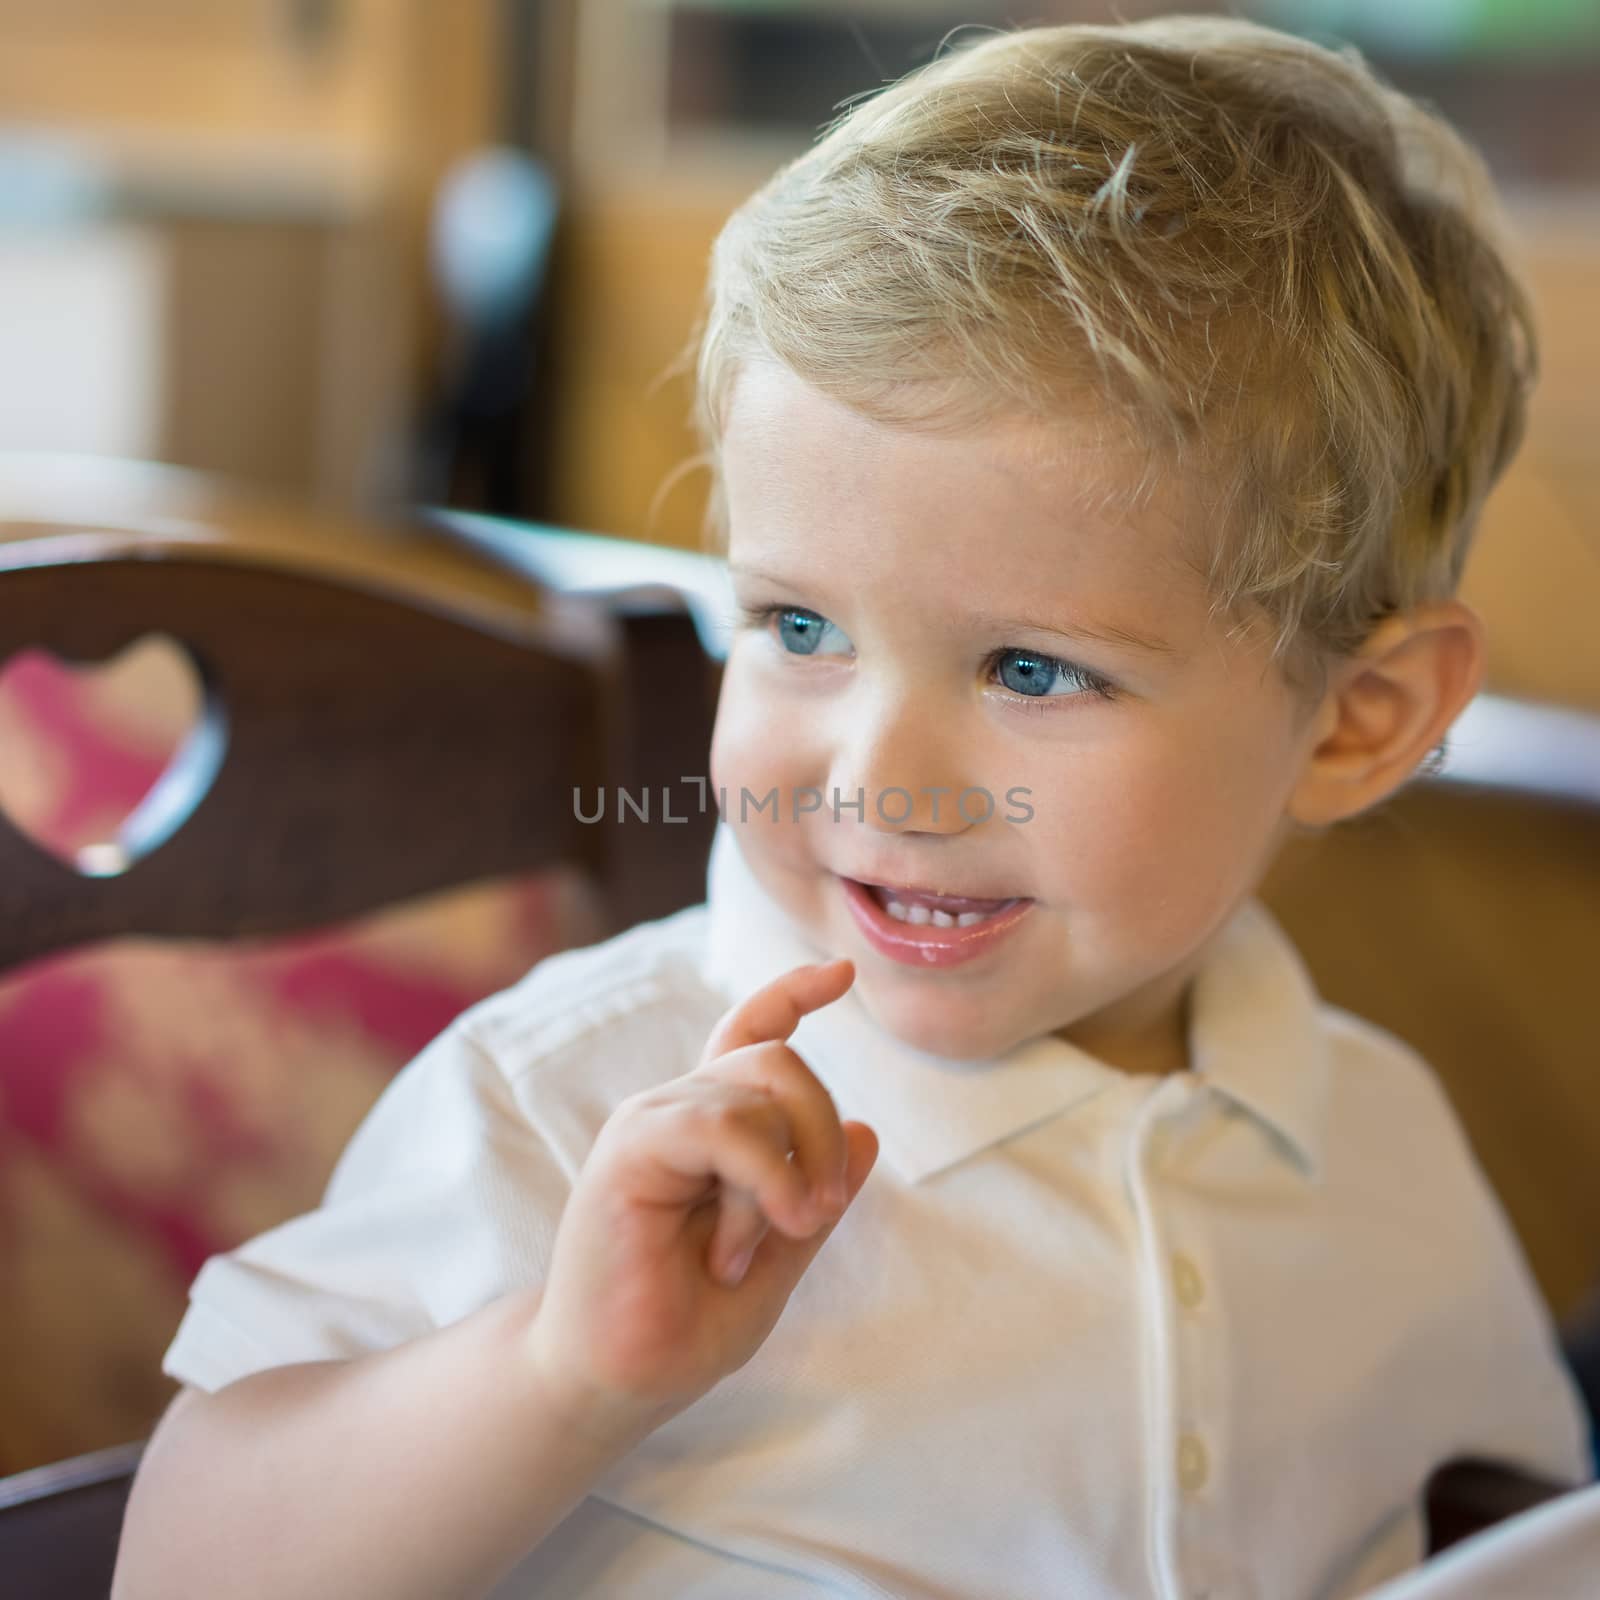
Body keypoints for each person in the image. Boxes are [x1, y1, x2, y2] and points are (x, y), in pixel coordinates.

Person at [112, 15, 1594, 1599]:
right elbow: (179, 1573)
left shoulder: (1376, 1144)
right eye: (798, 627)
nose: (879, 771)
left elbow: (1506, 1524)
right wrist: (557, 1374)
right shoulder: (582, 1109)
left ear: (1359, 723)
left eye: (1032, 668)